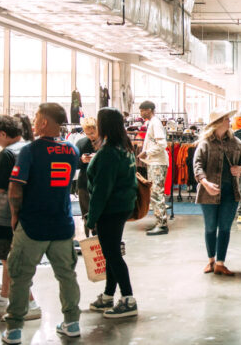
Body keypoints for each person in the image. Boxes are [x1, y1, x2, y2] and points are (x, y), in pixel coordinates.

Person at [2, 103, 82, 343]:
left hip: (33, 224)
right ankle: (72, 322)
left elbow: (15, 188)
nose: (34, 122)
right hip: (62, 224)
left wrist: (15, 216)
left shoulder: (30, 151)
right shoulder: (72, 151)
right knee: (67, 275)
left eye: (37, 118)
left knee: (21, 276)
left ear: (45, 122)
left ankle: (14, 328)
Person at [0, 115, 40, 321]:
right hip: (24, 212)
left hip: (4, 213)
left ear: (3, 134)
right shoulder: (29, 149)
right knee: (10, 260)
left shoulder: (7, 154)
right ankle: (2, 301)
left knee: (10, 261)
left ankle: (31, 303)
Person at [85, 108, 138, 318]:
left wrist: (92, 218)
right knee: (111, 252)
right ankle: (108, 295)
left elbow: (101, 189)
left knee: (113, 254)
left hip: (110, 209)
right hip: (122, 206)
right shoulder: (124, 147)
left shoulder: (109, 152)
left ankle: (128, 298)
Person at [193, 108, 241, 276]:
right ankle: (210, 260)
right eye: (226, 119)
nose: (229, 121)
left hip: (231, 192)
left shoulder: (236, 142)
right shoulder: (205, 143)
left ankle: (220, 263)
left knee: (224, 228)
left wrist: (240, 168)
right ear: (217, 123)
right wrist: (205, 182)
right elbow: (197, 165)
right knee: (210, 228)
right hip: (208, 192)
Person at [137, 100, 170, 236]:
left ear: (149, 110)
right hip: (154, 162)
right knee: (155, 192)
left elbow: (162, 144)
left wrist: (147, 152)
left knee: (157, 193)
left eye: (142, 110)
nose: (141, 113)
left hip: (157, 162)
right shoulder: (152, 122)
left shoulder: (155, 123)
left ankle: (162, 224)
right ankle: (160, 222)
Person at [76, 117, 101, 238]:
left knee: (101, 213)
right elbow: (74, 163)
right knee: (86, 212)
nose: (90, 136)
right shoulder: (81, 143)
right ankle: (89, 239)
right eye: (87, 133)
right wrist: (82, 160)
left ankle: (100, 238)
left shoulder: (105, 143)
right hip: (84, 182)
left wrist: (98, 158)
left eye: (92, 133)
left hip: (101, 182)